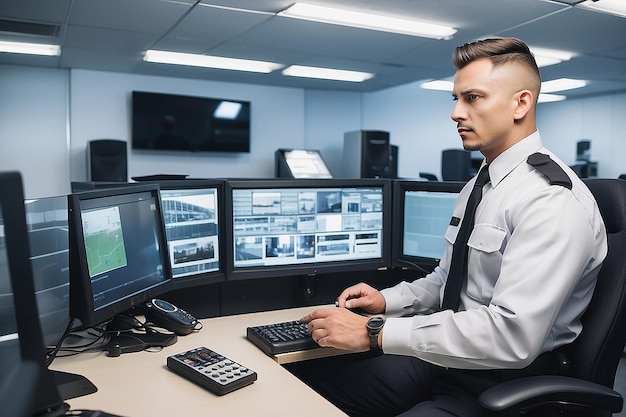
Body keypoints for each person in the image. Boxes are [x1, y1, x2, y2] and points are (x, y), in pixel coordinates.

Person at [289, 37, 608, 416]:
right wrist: (387, 301)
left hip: (503, 381)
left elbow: (512, 336)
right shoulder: (481, 184)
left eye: (472, 98)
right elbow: (448, 280)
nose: (456, 112)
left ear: (521, 103)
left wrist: (374, 332)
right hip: (448, 358)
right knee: (305, 385)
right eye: (455, 99)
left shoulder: (550, 200)